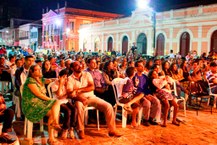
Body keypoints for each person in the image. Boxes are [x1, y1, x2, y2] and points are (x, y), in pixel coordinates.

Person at [67, 61, 121, 139]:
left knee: (108, 106)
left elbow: (92, 87)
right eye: (77, 65)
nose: (80, 66)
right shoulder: (70, 79)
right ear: (72, 68)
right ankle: (81, 130)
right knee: (79, 106)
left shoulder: (87, 74)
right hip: (79, 99)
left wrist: (79, 90)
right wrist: (81, 98)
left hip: (92, 99)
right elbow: (70, 93)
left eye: (80, 64)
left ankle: (112, 130)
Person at [22, 64, 61, 144]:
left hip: (40, 104)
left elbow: (49, 80)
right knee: (56, 102)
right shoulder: (30, 80)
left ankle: (51, 138)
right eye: (37, 70)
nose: (40, 70)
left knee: (53, 113)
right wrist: (51, 100)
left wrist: (57, 79)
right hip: (31, 105)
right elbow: (38, 95)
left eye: (40, 69)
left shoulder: (40, 79)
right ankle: (54, 128)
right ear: (32, 72)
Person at [134, 60, 161, 126]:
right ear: (136, 68)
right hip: (137, 96)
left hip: (145, 94)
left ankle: (151, 118)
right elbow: (135, 89)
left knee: (156, 101)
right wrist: (144, 95)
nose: (143, 67)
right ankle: (145, 119)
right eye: (140, 66)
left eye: (143, 65)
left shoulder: (145, 77)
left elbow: (148, 88)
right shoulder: (134, 77)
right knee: (147, 103)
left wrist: (148, 94)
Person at [51, 69, 76, 139]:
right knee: (68, 111)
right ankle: (65, 129)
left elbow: (68, 94)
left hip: (65, 101)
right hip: (57, 103)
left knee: (74, 109)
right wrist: (61, 84)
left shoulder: (66, 83)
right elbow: (59, 95)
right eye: (64, 77)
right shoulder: (54, 84)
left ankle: (71, 128)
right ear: (59, 77)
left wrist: (71, 92)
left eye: (66, 77)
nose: (65, 79)